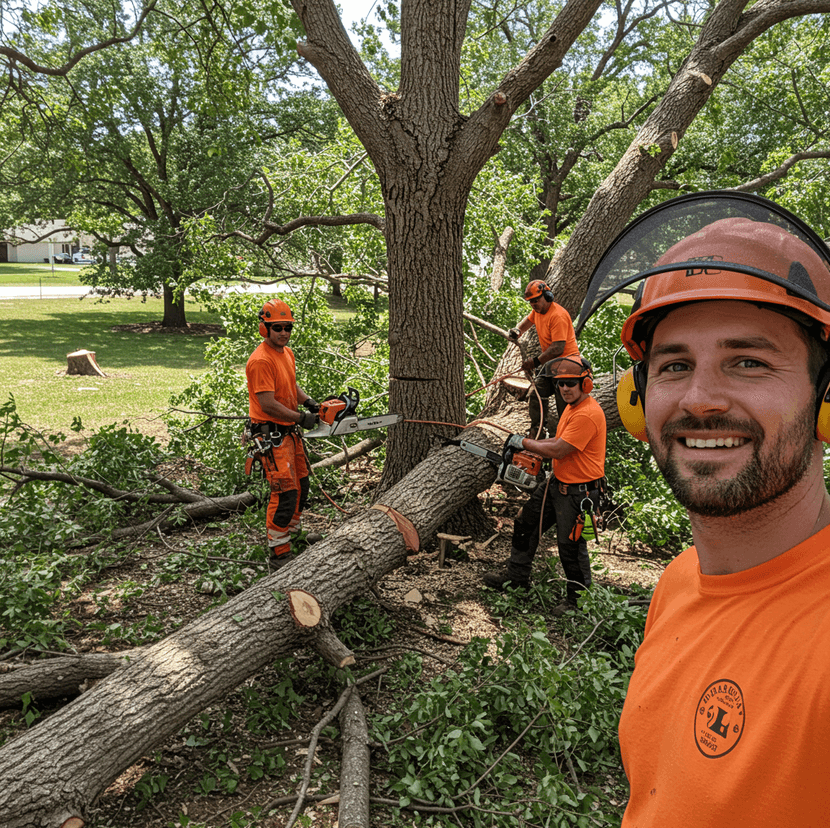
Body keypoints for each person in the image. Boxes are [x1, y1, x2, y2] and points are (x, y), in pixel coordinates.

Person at [590, 192, 830, 825]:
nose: (699, 399)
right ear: (638, 404)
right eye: (674, 365)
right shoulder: (677, 582)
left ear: (825, 399)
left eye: (747, 361)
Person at [482, 357, 607, 615]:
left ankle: (578, 603)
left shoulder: (588, 414)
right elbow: (558, 440)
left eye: (570, 384)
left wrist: (524, 443)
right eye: (560, 384)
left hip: (578, 493)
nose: (564, 389)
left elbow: (560, 449)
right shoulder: (572, 408)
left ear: (586, 383)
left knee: (570, 546)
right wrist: (533, 445)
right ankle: (516, 576)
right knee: (525, 523)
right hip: (557, 484)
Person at [246, 298, 320, 571]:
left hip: (290, 433)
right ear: (264, 328)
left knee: (302, 486)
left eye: (288, 327)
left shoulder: (286, 354)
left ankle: (293, 537)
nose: (284, 333)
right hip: (271, 436)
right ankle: (279, 554)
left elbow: (290, 385)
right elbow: (267, 403)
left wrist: (311, 403)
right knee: (285, 493)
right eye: (278, 327)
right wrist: (302, 418)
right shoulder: (260, 361)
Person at [508, 279, 581, 438]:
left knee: (565, 407)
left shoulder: (558, 315)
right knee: (536, 393)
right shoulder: (538, 311)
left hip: (567, 366)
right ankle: (537, 430)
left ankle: (564, 437)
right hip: (551, 365)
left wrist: (535, 362)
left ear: (547, 296)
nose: (533, 304)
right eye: (531, 302)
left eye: (536, 300)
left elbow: (557, 348)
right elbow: (528, 321)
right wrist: (517, 331)